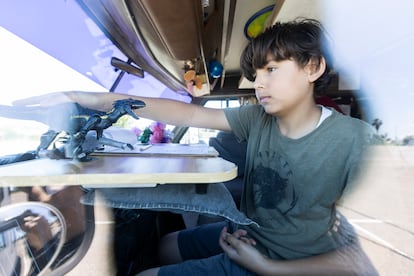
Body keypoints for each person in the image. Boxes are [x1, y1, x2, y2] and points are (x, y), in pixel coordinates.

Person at [12, 19, 378, 275]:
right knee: (165, 245)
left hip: (277, 263)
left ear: (313, 67)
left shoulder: (353, 141)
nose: (258, 84)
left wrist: (267, 267)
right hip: (251, 235)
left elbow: (360, 263)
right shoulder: (256, 119)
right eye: (257, 74)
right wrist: (84, 97)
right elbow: (183, 113)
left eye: (272, 70)